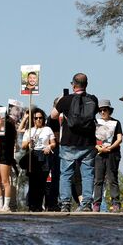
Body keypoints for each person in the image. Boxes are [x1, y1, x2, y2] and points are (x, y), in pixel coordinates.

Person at [50, 73, 99, 212]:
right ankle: (87, 204)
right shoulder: (93, 99)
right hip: (88, 142)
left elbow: (53, 115)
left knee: (66, 174)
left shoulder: (65, 100)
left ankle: (65, 204)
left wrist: (61, 101)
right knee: (88, 174)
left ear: (73, 85)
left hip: (69, 142)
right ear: (86, 85)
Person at [19, 109, 56, 212]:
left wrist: (49, 146)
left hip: (44, 155)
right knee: (33, 181)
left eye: (40, 118)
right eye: (36, 118)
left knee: (42, 182)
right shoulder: (29, 131)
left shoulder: (47, 129)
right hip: (33, 156)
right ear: (33, 119)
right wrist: (29, 142)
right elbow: (23, 146)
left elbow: (53, 143)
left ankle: (39, 205)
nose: (38, 120)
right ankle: (32, 205)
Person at [91, 99, 123, 212]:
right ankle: (96, 203)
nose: (103, 112)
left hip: (112, 154)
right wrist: (98, 147)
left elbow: (119, 138)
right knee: (98, 179)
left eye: (105, 110)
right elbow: (91, 138)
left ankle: (115, 203)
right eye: (100, 110)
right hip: (99, 153)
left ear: (109, 110)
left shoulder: (116, 122)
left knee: (112, 178)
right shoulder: (95, 122)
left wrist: (110, 148)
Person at [0, 107, 18, 211]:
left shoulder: (9, 126)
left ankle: (6, 205)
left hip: (5, 156)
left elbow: (10, 142)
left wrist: (1, 142)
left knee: (5, 181)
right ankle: (0, 204)